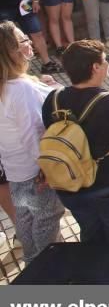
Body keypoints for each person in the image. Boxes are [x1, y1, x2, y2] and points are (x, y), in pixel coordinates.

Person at [42, 40, 109, 244]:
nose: (108, 63)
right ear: (95, 67)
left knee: (92, 239)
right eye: (105, 59)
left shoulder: (53, 99)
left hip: (71, 186)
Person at [0, 21, 65, 262]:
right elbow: (31, 134)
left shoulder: (14, 84)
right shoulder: (20, 88)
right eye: (22, 40)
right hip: (35, 171)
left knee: (26, 221)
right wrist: (46, 167)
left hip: (15, 169)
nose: (29, 42)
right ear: (11, 51)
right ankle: (46, 276)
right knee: (46, 223)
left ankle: (33, 270)